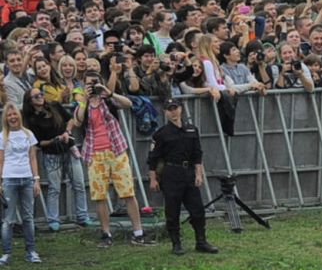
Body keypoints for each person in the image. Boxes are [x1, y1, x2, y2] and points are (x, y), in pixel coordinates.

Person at [71, 82, 152, 246]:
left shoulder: (108, 99)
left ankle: (138, 232)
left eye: (95, 83)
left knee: (128, 192)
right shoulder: (82, 102)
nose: (92, 87)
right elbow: (78, 121)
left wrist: (109, 93)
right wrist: (85, 100)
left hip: (116, 150)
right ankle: (106, 234)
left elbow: (128, 104)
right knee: (99, 196)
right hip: (95, 153)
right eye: (89, 84)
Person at [147, 97, 217, 256]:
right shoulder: (161, 134)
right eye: (169, 109)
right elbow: (153, 158)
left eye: (175, 108)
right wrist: (153, 179)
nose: (173, 112)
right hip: (171, 173)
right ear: (165, 112)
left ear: (181, 109)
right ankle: (176, 243)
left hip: (189, 172)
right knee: (172, 210)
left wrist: (199, 173)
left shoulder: (191, 130)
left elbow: (197, 154)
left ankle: (201, 241)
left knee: (197, 209)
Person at [23, 86, 80, 230]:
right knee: (54, 188)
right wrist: (54, 140)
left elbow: (71, 119)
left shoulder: (54, 105)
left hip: (68, 148)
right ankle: (53, 219)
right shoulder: (31, 119)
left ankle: (83, 215)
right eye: (36, 96)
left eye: (41, 94)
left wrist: (67, 132)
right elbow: (38, 143)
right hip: (51, 153)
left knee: (78, 183)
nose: (40, 97)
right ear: (30, 101)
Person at [0, 104, 42, 264]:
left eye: (14, 114)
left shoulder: (28, 134)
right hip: (9, 179)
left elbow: (32, 158)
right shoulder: (3, 136)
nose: (12, 117)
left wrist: (36, 179)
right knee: (8, 219)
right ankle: (7, 253)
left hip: (26, 179)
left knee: (28, 217)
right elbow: (1, 160)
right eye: (9, 115)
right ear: (6, 118)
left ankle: (31, 251)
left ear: (19, 115)